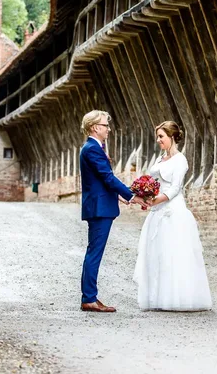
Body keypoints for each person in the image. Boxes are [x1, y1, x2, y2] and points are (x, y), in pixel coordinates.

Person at [134, 121, 212, 311]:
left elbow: (176, 188)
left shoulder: (180, 160)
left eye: (161, 136)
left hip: (172, 210)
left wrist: (155, 200)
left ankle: (177, 297)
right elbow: (153, 182)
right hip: (156, 211)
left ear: (172, 137)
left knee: (173, 253)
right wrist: (143, 193)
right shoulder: (160, 158)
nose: (158, 140)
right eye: (157, 137)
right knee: (157, 253)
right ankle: (158, 297)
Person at [79, 110, 148, 313]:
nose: (109, 129)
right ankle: (89, 298)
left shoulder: (92, 148)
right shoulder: (92, 149)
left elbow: (99, 181)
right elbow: (108, 178)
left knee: (93, 252)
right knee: (94, 253)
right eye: (105, 125)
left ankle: (89, 297)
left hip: (100, 205)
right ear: (95, 127)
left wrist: (118, 196)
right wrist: (131, 196)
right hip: (99, 208)